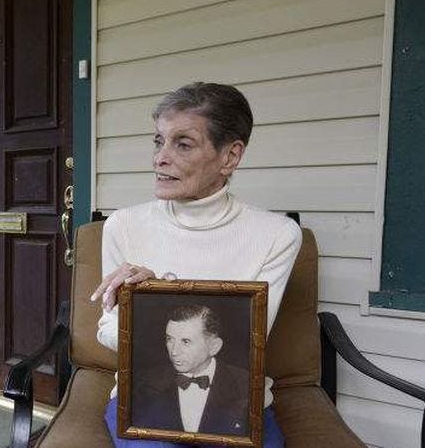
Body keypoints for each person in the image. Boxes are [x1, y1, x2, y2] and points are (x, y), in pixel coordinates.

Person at [92, 82, 302, 448]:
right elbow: (108, 333)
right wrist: (142, 305)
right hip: (144, 399)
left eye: (183, 143)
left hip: (236, 402)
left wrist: (159, 293)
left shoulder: (278, 234)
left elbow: (244, 343)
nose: (160, 158)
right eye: (159, 141)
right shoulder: (122, 226)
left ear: (230, 157)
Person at [131, 305, 249, 436]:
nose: (174, 352)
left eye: (186, 342)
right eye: (169, 339)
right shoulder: (145, 383)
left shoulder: (246, 385)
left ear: (214, 347)